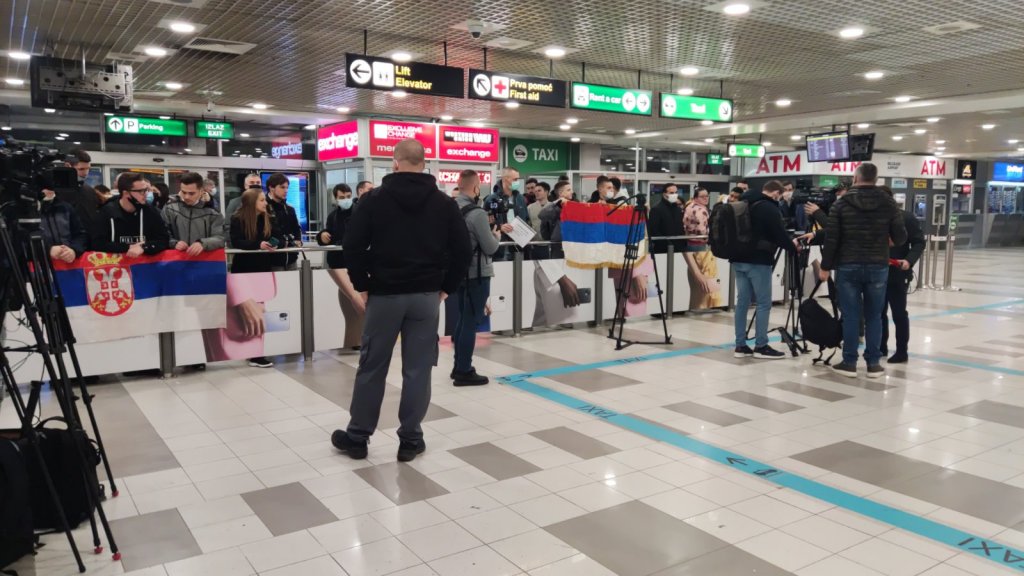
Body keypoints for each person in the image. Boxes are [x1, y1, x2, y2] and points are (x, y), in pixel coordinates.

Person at [333, 139, 471, 463]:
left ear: (395, 162)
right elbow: (463, 251)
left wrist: (362, 285)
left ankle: (358, 437)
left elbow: (352, 246)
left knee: (372, 366)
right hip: (425, 297)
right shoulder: (444, 203)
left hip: (384, 295)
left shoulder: (373, 200)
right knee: (418, 369)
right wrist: (446, 288)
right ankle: (410, 439)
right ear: (424, 163)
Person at [819, 163, 907, 378]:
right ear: (876, 179)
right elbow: (901, 237)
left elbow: (832, 239)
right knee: (875, 316)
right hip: (878, 265)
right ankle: (873, 364)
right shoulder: (888, 203)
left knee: (850, 316)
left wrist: (825, 267)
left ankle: (849, 362)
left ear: (855, 177)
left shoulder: (841, 204)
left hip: (848, 265)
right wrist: (887, 239)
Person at [453, 170, 511, 386]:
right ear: (476, 187)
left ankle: (458, 365)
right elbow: (490, 247)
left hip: (458, 272)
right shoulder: (477, 213)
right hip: (477, 273)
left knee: (462, 319)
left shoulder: (451, 208)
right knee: (470, 322)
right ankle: (464, 370)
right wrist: (496, 235)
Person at [731, 180, 797, 360]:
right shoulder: (769, 208)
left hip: (738, 258)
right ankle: (761, 345)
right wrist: (792, 246)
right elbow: (779, 234)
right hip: (758, 261)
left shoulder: (744, 203)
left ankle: (740, 345)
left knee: (742, 302)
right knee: (763, 303)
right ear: (776, 193)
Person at [228, 188, 282, 369]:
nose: (265, 203)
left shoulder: (268, 218)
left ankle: (256, 353)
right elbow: (237, 242)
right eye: (261, 200)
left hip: (263, 268)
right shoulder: (238, 219)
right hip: (243, 269)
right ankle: (252, 353)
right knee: (248, 312)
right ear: (252, 202)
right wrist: (257, 244)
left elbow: (278, 236)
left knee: (260, 310)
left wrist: (276, 243)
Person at [316, 184, 365, 350]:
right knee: (350, 307)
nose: (346, 200)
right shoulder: (333, 216)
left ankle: (359, 341)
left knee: (358, 303)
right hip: (338, 263)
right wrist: (322, 235)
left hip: (356, 263)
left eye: (348, 196)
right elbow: (328, 234)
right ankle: (353, 342)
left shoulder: (360, 212)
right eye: (342, 197)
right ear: (335, 199)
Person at [880, 186, 924, 364]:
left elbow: (919, 242)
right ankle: (880, 346)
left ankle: (901, 351)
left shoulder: (906, 218)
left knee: (899, 313)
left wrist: (908, 260)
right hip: (876, 273)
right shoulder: (873, 219)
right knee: (878, 313)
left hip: (898, 273)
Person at [91, 173, 170, 257]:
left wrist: (144, 246)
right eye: (141, 191)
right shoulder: (106, 212)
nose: (146, 194)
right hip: (115, 263)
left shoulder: (151, 211)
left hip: (143, 263)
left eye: (146, 190)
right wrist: (128, 247)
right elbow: (96, 243)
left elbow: (164, 239)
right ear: (126, 193)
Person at [163, 172, 225, 256]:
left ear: (201, 191)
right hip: (176, 259)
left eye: (191, 193)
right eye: (183, 192)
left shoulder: (213, 213)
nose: (186, 197)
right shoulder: (169, 209)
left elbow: (220, 238)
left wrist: (203, 243)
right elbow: (162, 234)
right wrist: (174, 243)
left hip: (203, 260)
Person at [683, 187, 722, 309]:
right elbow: (702, 229)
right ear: (695, 197)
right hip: (699, 243)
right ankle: (704, 304)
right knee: (704, 273)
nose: (706, 198)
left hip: (689, 241)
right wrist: (709, 236)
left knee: (693, 272)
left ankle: (696, 304)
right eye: (702, 196)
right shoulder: (701, 210)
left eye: (707, 196)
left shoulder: (689, 206)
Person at [57, 149, 102, 234]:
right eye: (81, 169)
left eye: (88, 169)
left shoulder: (89, 190)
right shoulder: (56, 191)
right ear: (67, 166)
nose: (85, 173)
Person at [264, 172, 303, 270]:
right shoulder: (263, 207)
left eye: (287, 187)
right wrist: (281, 243)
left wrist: (298, 240)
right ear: (271, 187)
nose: (286, 190)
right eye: (282, 187)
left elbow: (296, 228)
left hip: (291, 258)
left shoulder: (289, 208)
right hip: (271, 260)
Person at [39, 186, 88, 263]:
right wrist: (48, 249)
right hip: (39, 264)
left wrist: (74, 250)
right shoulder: (27, 210)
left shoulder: (66, 207)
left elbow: (81, 234)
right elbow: (23, 240)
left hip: (68, 264)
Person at [224, 173, 263, 242]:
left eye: (258, 183)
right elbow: (228, 226)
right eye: (252, 182)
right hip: (241, 245)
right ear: (245, 186)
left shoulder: (266, 203)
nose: (255, 185)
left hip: (262, 245)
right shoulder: (234, 203)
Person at [540, 180, 574, 258]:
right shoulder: (552, 208)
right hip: (557, 246)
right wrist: (557, 202)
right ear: (560, 193)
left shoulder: (574, 205)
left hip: (573, 245)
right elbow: (542, 215)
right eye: (568, 190)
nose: (572, 192)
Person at [648, 183, 684, 254]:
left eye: (676, 192)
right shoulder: (656, 209)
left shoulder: (678, 209)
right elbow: (653, 230)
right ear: (664, 194)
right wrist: (666, 243)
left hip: (678, 247)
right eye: (671, 193)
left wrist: (682, 242)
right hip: (662, 249)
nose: (675, 195)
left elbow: (680, 227)